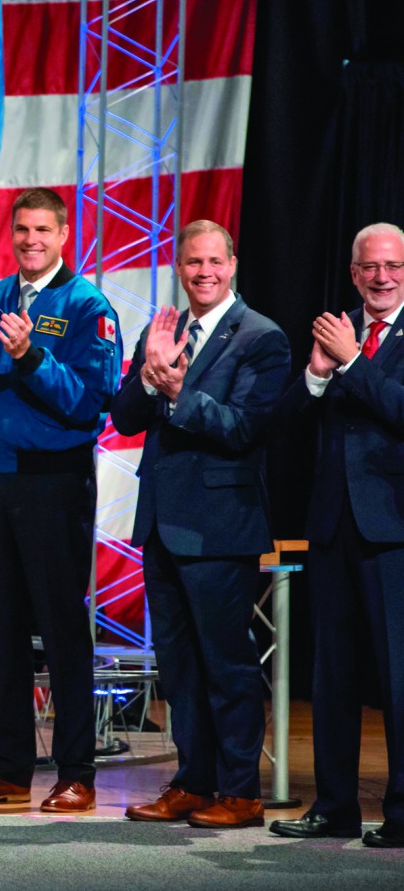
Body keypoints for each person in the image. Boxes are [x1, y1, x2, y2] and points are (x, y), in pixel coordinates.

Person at [0, 188, 121, 812]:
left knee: (63, 630)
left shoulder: (87, 305)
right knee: (4, 626)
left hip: (54, 482)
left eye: (43, 229)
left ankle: (77, 773)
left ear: (64, 234)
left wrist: (29, 355)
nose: (31, 240)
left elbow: (91, 401)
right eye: (22, 229)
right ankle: (8, 769)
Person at [112, 220, 290, 829]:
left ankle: (240, 791)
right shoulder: (163, 331)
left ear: (233, 264)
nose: (204, 272)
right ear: (180, 268)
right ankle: (193, 782)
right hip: (162, 524)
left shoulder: (262, 338)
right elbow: (124, 418)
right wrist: (147, 374)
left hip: (220, 527)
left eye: (214, 261)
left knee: (227, 664)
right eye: (193, 263)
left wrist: (178, 385)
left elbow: (242, 429)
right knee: (179, 665)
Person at [269, 223, 404, 847]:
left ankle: (401, 813)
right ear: (353, 273)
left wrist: (352, 362)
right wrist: (319, 375)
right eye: (369, 267)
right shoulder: (337, 328)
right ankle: (335, 806)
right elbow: (289, 422)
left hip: (393, 531)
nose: (381, 277)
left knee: (398, 676)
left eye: (392, 266)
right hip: (330, 528)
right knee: (333, 677)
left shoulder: (366, 341)